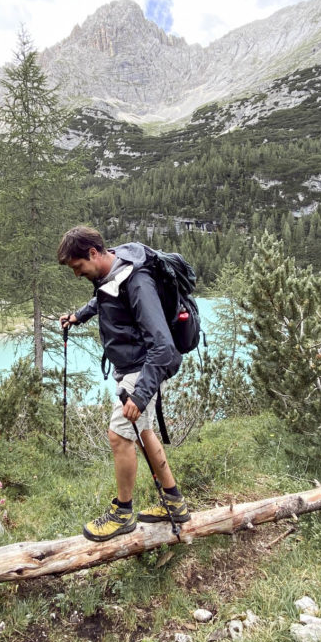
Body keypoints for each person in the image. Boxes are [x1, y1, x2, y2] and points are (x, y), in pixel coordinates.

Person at [58, 225, 191, 541]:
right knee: (142, 431)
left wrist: (141, 394)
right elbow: (106, 298)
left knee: (119, 435)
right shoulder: (113, 268)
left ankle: (123, 513)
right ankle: (175, 504)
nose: (77, 274)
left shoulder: (138, 282)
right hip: (132, 365)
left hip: (142, 368)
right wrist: (79, 315)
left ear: (93, 253)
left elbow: (164, 348)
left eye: (78, 267)